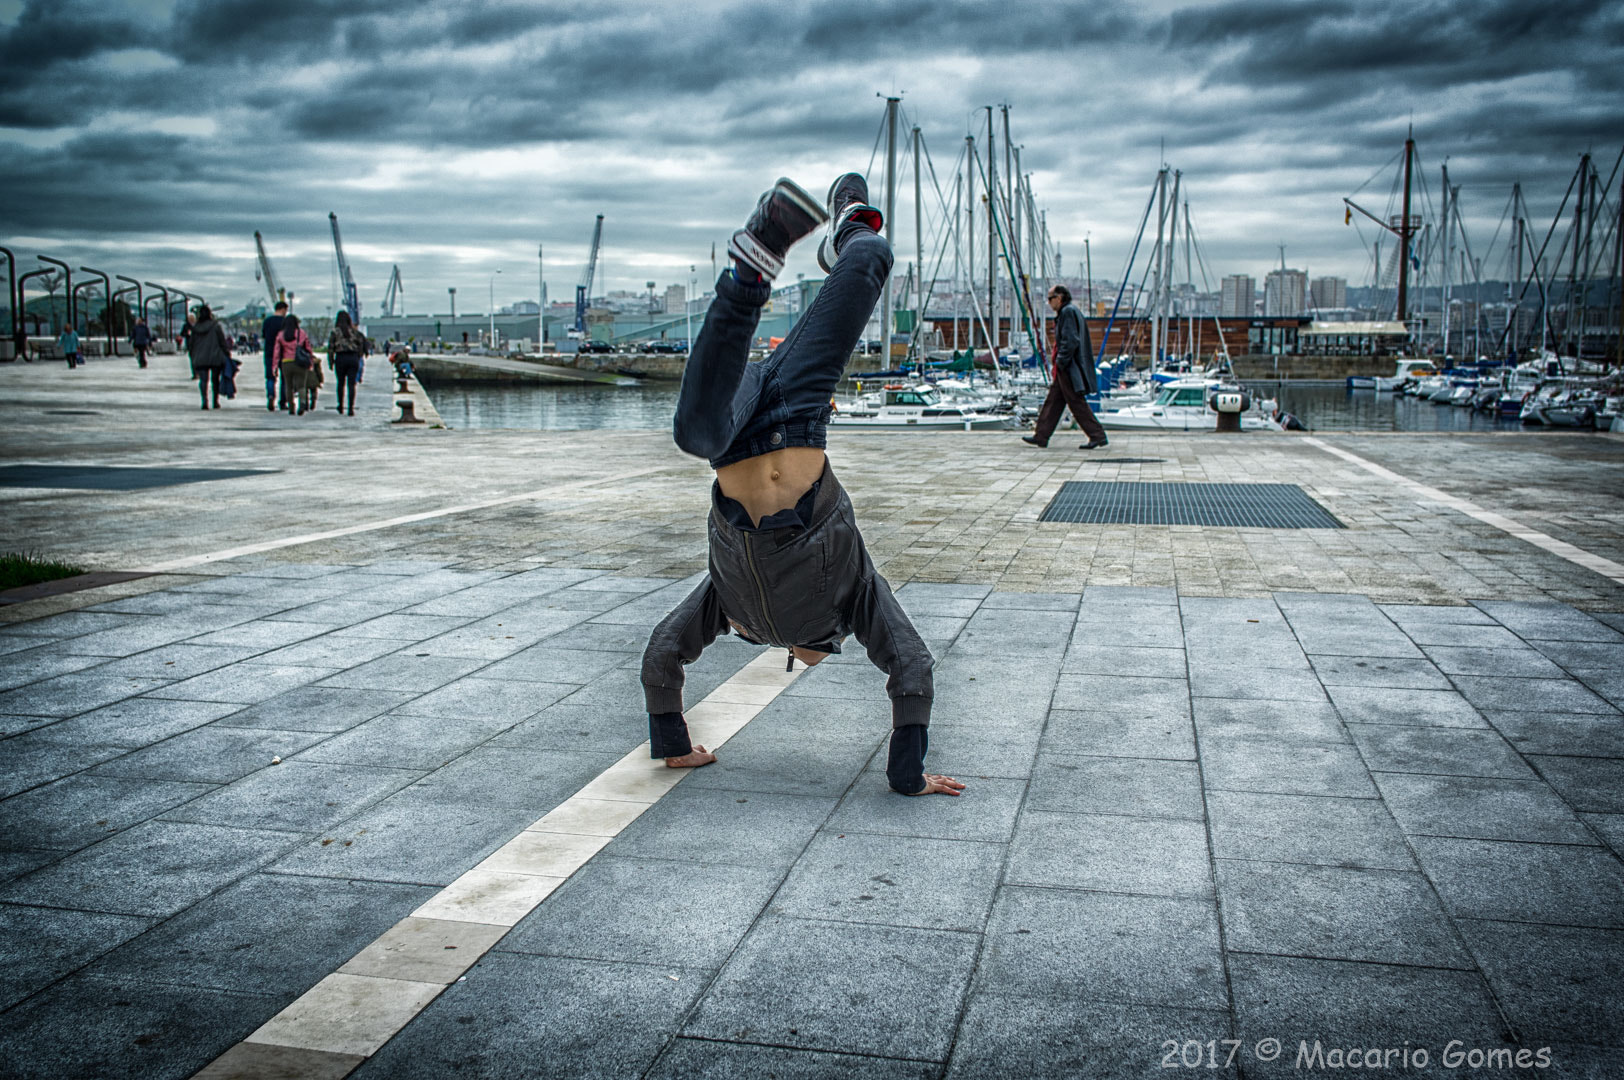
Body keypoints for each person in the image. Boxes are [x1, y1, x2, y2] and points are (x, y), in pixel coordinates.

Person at [641, 173, 963, 798]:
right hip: (799, 411)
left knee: (697, 434)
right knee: (871, 256)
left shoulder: (726, 601)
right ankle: (846, 226)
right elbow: (911, 665)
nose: (817, 657)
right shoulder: (855, 594)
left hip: (732, 436)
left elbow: (664, 651)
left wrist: (673, 744)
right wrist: (908, 777)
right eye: (825, 650)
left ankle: (754, 261)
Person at [1020, 285, 1109, 450]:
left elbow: (1070, 340)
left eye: (1050, 298)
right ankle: (1041, 435)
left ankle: (1097, 435)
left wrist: (1061, 361)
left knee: (1076, 402)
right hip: (1068, 366)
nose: (1049, 303)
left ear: (1059, 298)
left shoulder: (1067, 312)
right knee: (1054, 401)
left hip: (1068, 367)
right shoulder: (1070, 311)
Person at [273, 314, 318, 414]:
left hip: (286, 363)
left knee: (288, 386)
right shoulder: (301, 333)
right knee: (301, 385)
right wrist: (311, 360)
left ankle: (291, 407)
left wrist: (275, 366)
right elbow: (308, 348)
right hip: (300, 363)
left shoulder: (281, 334)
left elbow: (276, 352)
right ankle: (302, 403)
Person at [188, 305, 231, 409]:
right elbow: (222, 341)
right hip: (215, 356)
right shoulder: (216, 326)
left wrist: (192, 355)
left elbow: (191, 344)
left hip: (201, 357)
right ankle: (215, 401)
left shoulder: (195, 328)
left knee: (203, 380)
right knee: (215, 380)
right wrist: (226, 353)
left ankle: (204, 401)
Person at [327, 309, 365, 416]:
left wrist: (331, 362)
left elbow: (330, 348)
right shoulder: (355, 332)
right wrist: (358, 356)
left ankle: (340, 405)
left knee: (340, 383)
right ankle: (351, 408)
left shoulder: (335, 332)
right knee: (351, 384)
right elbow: (361, 345)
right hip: (353, 358)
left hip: (341, 358)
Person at [261, 301, 287, 411]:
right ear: (282, 309)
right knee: (284, 378)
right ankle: (283, 402)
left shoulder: (267, 321)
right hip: (283, 353)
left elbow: (264, 336)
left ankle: (271, 396)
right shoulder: (285, 322)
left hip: (269, 352)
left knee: (270, 377)